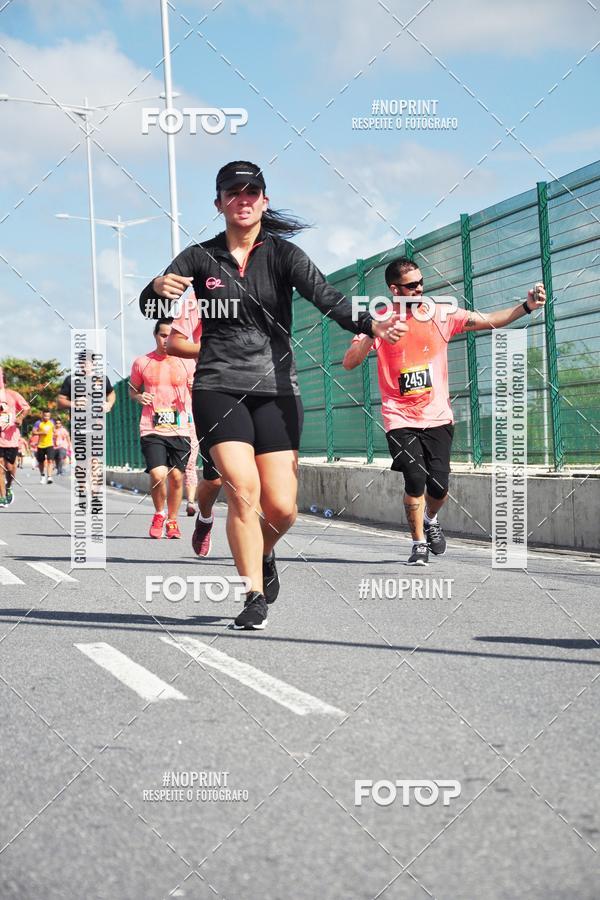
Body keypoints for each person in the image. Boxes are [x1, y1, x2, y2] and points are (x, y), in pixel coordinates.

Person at [140, 160, 403, 629]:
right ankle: (252, 597)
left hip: (277, 389)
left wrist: (371, 323)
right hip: (218, 388)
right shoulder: (200, 257)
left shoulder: (284, 255)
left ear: (263, 200)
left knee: (282, 507)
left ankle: (263, 553)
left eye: (252, 192)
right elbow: (154, 307)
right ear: (219, 202)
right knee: (244, 490)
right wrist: (156, 288)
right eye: (233, 193)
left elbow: (330, 299)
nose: (243, 200)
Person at [343, 256, 546, 565]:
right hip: (399, 416)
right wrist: (373, 332)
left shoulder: (440, 314)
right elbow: (350, 361)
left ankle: (430, 518)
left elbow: (488, 319)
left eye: (422, 283)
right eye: (412, 286)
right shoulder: (379, 318)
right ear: (394, 289)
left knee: (439, 486)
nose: (420, 288)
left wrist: (527, 306)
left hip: (437, 415)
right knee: (414, 479)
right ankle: (418, 544)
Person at [129, 319, 196, 540]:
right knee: (158, 475)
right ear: (155, 335)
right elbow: (132, 390)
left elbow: (199, 391)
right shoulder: (142, 362)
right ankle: (159, 513)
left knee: (177, 477)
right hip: (151, 426)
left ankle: (173, 520)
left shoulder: (188, 363)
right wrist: (139, 396)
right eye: (162, 335)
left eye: (170, 335)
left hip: (180, 428)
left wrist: (194, 388)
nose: (166, 339)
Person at [166, 295, 223, 557]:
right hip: (216, 393)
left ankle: (262, 554)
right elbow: (174, 343)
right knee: (216, 480)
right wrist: (222, 348)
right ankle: (206, 518)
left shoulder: (266, 283)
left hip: (264, 390)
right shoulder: (199, 298)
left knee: (259, 479)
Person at [0, 367, 30, 506]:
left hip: (11, 438)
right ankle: (2, 496)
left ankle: (9, 486)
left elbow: (26, 407)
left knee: (10, 467)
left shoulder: (12, 394)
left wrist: (21, 418)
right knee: (0, 467)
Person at [31, 410, 56, 485]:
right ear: (42, 415)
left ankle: (49, 477)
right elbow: (33, 432)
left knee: (50, 461)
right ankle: (42, 475)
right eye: (45, 416)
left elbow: (54, 431)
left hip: (50, 444)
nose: (46, 417)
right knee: (41, 462)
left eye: (48, 416)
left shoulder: (52, 422)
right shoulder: (38, 423)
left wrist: (55, 436)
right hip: (40, 445)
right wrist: (42, 433)